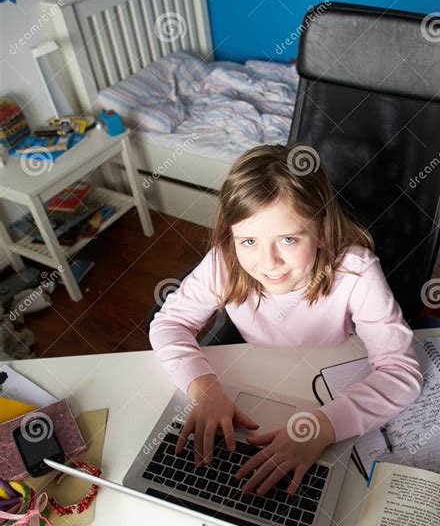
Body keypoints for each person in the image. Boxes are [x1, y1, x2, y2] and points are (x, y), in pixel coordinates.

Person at [149, 144, 422, 497]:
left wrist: (323, 427)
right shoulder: (224, 263)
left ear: (322, 229)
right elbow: (168, 323)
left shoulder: (356, 272)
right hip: (257, 393)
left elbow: (401, 372)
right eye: (248, 240)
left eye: (288, 239)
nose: (269, 263)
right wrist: (203, 388)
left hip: (328, 389)